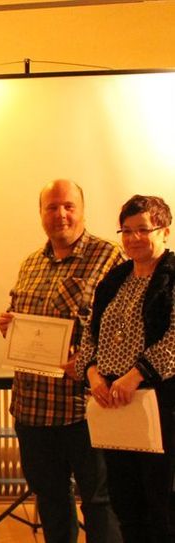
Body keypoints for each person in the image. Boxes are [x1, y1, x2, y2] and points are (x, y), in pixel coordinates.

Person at [0, 179, 124, 543]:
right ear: (41, 214)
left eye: (68, 206)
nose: (61, 214)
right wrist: (11, 324)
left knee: (100, 503)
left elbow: (123, 325)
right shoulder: (30, 264)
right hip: (33, 408)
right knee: (51, 500)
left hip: (85, 408)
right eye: (51, 207)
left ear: (82, 209)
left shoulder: (111, 257)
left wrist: (85, 360)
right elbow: (22, 316)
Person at [76, 194, 175, 543]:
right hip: (114, 406)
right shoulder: (114, 279)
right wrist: (92, 375)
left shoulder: (172, 276)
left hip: (160, 405)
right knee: (125, 501)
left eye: (142, 230)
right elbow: (90, 334)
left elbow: (174, 339)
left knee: (162, 504)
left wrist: (135, 376)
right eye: (126, 231)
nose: (133, 238)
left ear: (164, 231)